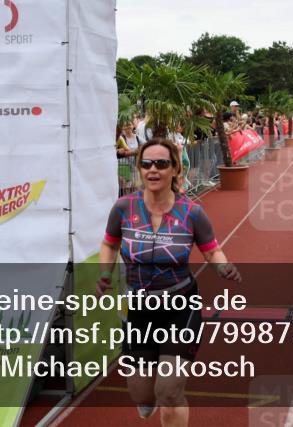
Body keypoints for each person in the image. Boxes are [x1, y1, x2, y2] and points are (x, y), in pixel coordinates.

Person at [97, 138, 240, 425]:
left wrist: (224, 267)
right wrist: (105, 272)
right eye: (146, 163)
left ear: (175, 169)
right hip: (138, 309)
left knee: (169, 391)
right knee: (142, 395)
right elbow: (110, 243)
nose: (153, 170)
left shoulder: (192, 213)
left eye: (161, 164)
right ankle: (145, 399)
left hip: (180, 307)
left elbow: (212, 250)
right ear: (139, 168)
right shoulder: (123, 208)